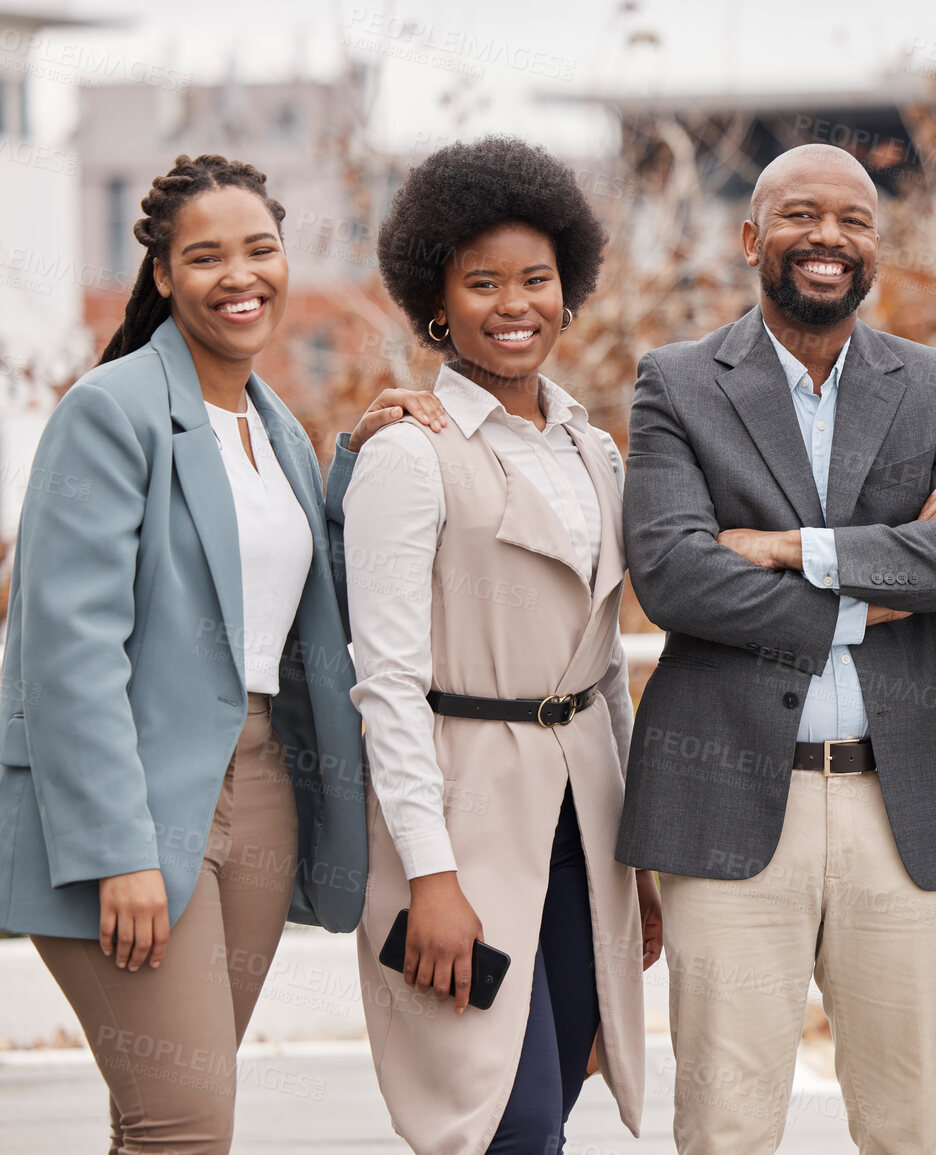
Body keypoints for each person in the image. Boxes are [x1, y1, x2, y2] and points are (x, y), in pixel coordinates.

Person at [0, 154, 377, 1155]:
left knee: (157, 1123)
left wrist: (363, 452)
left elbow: (293, 590)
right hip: (133, 812)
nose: (240, 276)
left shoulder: (278, 429)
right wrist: (121, 852)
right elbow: (70, 651)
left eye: (261, 250)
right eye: (206, 257)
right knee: (185, 1128)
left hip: (262, 792)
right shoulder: (109, 412)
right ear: (162, 276)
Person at [616, 142, 936, 1154]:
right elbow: (672, 575)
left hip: (906, 802)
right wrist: (877, 594)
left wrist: (797, 551)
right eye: (801, 215)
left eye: (853, 220)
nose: (828, 237)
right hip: (730, 799)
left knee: (907, 1127)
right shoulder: (676, 384)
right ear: (752, 237)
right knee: (724, 1125)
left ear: (875, 245)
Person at [324, 137, 661, 1155]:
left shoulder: (594, 448)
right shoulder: (408, 453)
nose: (513, 304)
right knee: (497, 1124)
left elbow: (605, 670)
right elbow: (384, 684)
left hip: (584, 826)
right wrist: (430, 876)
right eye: (482, 282)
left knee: (550, 1110)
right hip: (462, 824)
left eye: (535, 280)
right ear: (438, 299)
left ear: (569, 292)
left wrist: (642, 862)